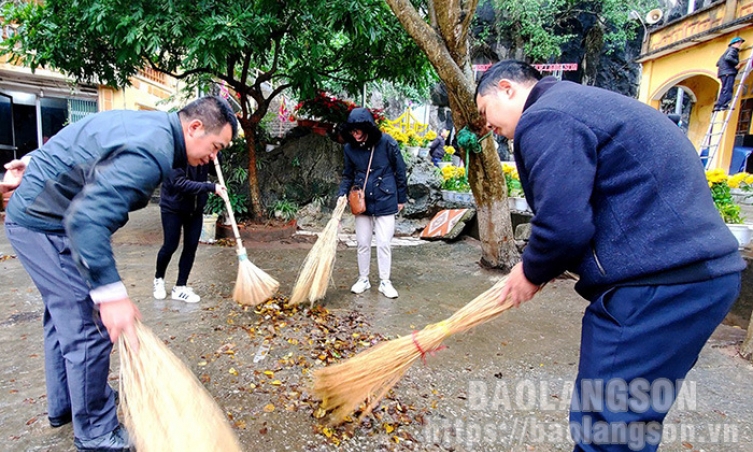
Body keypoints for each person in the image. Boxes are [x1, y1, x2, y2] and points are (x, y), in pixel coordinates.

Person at [475, 60, 745, 452]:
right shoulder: (581, 104)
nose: (488, 126)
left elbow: (564, 224)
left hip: (659, 285)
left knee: (608, 429)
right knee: (629, 423)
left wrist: (530, 272)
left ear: (507, 88)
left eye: (485, 112)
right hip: (700, 278)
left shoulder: (546, 116)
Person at [1, 96, 237, 452]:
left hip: (41, 213)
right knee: (89, 329)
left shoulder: (153, 127)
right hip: (43, 223)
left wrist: (37, 161)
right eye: (216, 146)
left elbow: (88, 137)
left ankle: (65, 405)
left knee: (62, 317)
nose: (213, 157)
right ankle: (95, 432)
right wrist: (111, 294)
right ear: (195, 127)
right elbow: (87, 221)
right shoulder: (152, 152)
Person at [338, 107, 407, 299]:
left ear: (367, 128)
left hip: (385, 198)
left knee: (384, 243)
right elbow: (348, 174)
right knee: (362, 243)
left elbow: (400, 171)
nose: (355, 134)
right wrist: (342, 194)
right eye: (352, 131)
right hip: (362, 202)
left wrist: (401, 198)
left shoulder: (387, 143)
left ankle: (385, 282)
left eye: (358, 130)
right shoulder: (349, 148)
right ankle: (363, 279)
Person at [153, 164, 226, 303]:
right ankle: (159, 278)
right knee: (170, 246)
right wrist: (211, 188)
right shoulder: (177, 155)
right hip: (173, 208)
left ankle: (180, 287)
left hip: (195, 208)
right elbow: (180, 184)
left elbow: (215, 170)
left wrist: (216, 154)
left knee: (191, 246)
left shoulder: (204, 154)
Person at [713, 36, 745, 111]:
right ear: (734, 43)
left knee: (724, 89)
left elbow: (717, 63)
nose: (739, 44)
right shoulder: (733, 50)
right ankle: (724, 105)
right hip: (728, 72)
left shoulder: (725, 52)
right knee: (728, 89)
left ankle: (719, 106)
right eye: (739, 43)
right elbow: (728, 58)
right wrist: (736, 63)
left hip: (723, 73)